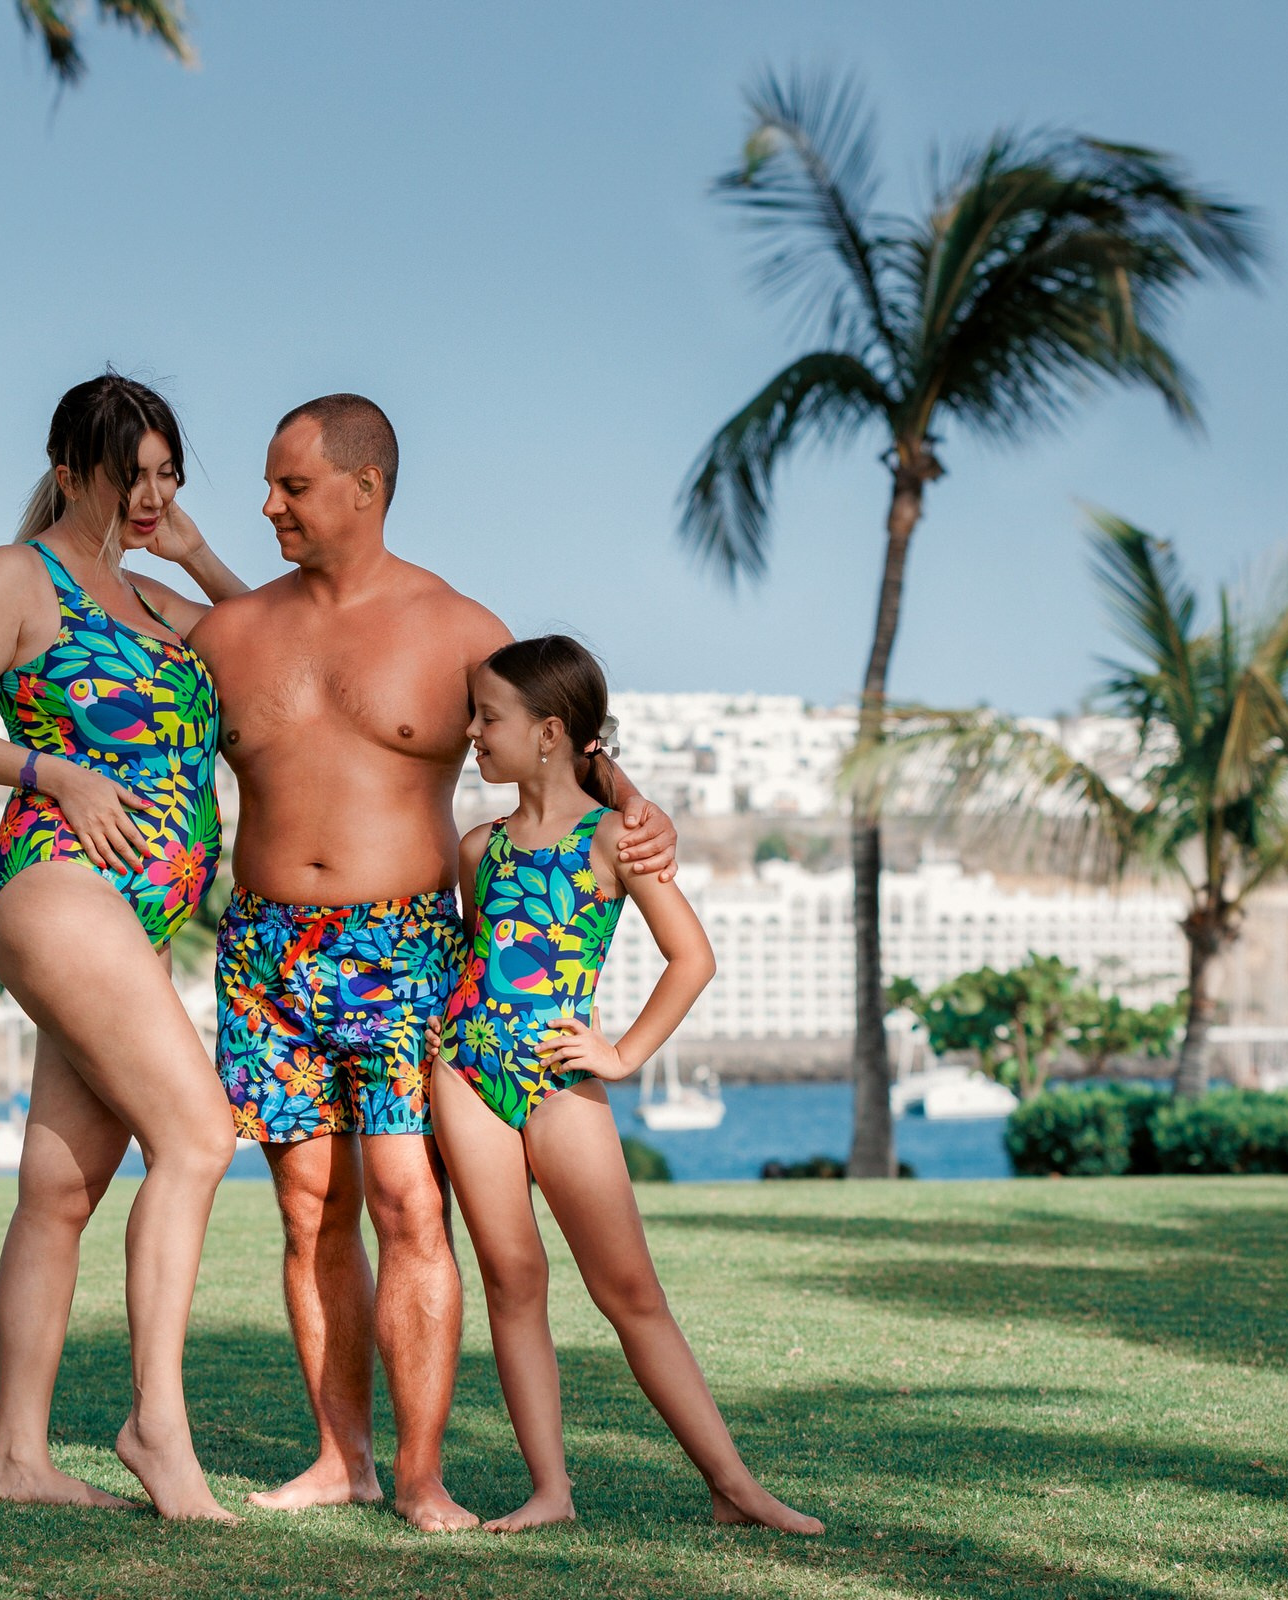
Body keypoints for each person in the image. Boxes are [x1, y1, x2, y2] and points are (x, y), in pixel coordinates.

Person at [185, 396, 678, 1530]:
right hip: (263, 948)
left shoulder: (460, 628)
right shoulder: (235, 630)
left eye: (292, 487)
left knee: (411, 1203)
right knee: (309, 1209)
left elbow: (556, 735)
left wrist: (638, 805)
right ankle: (338, 1458)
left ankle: (420, 1476)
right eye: (267, 486)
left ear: (365, 488)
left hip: (403, 941)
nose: (268, 505)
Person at [0, 373, 247, 1522]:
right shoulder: (19, 578)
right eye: (127, 475)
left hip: (134, 920)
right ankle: (157, 1423)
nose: (147, 495)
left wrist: (196, 558)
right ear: (68, 467)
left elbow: (273, 659)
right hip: (59, 888)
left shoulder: (155, 599)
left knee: (59, 1188)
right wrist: (53, 768)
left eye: (165, 474)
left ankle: (17, 1457)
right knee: (198, 1131)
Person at [433, 635, 824, 1535]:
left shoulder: (614, 838)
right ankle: (550, 1492)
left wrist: (624, 1055)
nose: (472, 733)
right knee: (511, 1278)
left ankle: (735, 1486)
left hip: (562, 1078)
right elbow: (475, 955)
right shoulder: (476, 846)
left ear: (550, 732)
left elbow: (692, 958)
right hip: (464, 1072)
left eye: (488, 718)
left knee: (630, 1293)